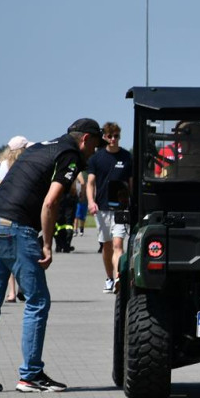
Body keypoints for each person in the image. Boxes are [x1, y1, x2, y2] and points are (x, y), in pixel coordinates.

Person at [0, 118, 103, 393]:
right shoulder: (70, 155)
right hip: (15, 227)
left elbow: (5, 185)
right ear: (86, 139)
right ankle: (31, 375)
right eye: (95, 145)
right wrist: (47, 244)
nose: (94, 152)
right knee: (38, 301)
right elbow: (51, 202)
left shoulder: (39, 147)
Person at [87, 121, 133, 293]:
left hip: (121, 208)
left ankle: (119, 277)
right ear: (105, 137)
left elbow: (131, 183)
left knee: (118, 244)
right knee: (107, 245)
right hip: (102, 207)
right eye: (110, 136)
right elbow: (90, 183)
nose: (113, 139)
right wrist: (91, 201)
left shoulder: (127, 157)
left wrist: (133, 202)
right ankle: (109, 277)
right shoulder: (96, 158)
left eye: (116, 136)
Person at [0, 136, 31, 302]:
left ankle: (12, 292)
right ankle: (22, 287)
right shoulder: (27, 165)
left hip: (2, 212)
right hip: (22, 212)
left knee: (7, 254)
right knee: (23, 253)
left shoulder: (1, 165)